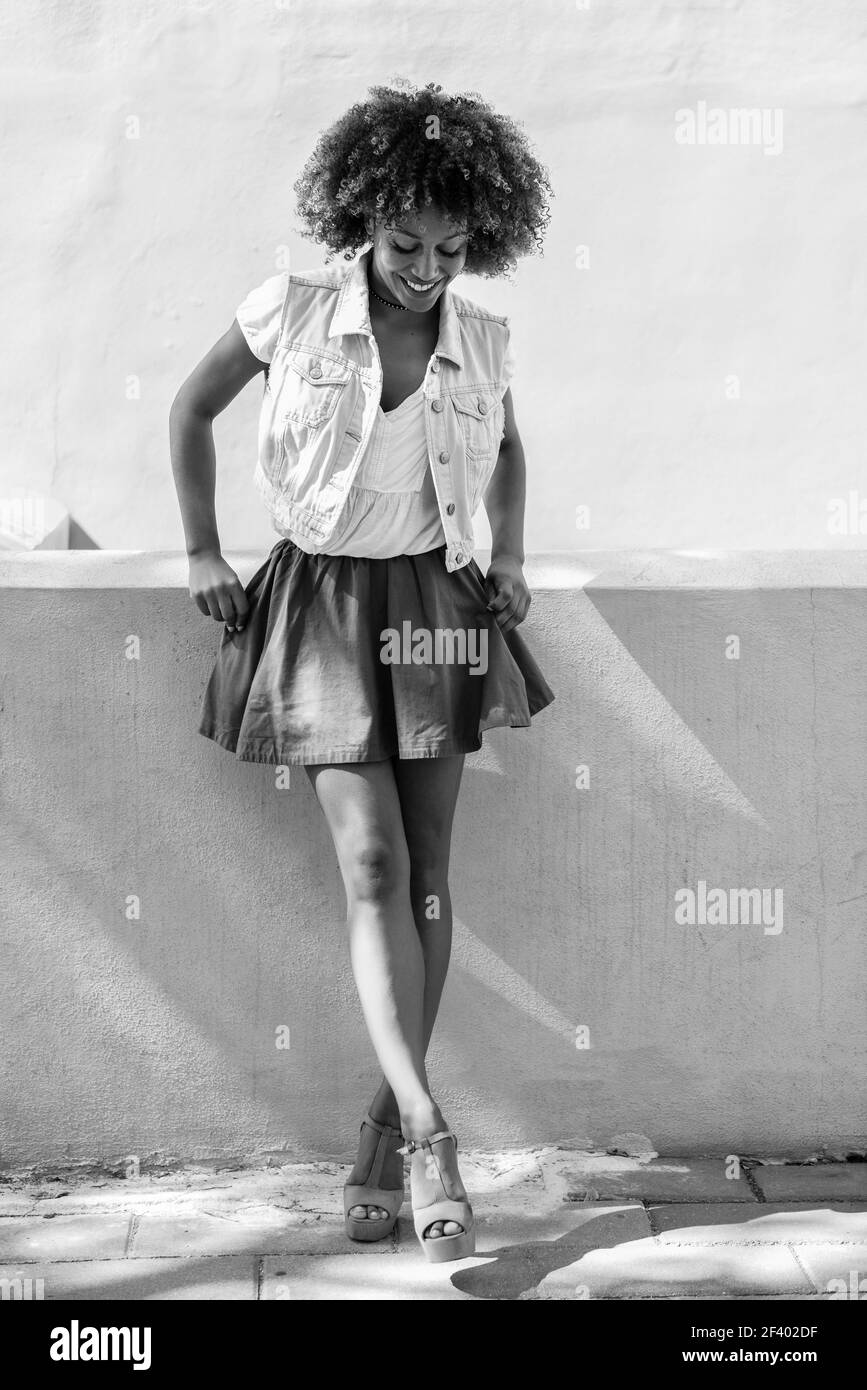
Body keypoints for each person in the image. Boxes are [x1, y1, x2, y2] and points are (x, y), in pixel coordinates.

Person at [169, 80, 554, 1264]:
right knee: (376, 861)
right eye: (403, 244)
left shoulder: (478, 338)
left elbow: (508, 446)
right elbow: (189, 410)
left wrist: (516, 551)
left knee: (433, 869)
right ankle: (435, 1131)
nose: (428, 267)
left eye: (449, 247)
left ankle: (383, 1131)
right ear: (358, 220)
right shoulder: (290, 308)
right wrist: (198, 546)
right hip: (323, 599)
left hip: (437, 602)